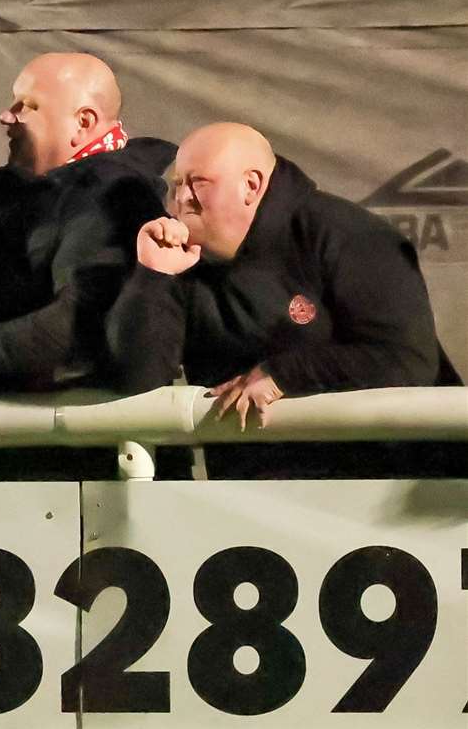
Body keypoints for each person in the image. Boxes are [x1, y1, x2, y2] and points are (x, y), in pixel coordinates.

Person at [108, 122, 461, 476]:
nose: (182, 199)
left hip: (393, 488)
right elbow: (139, 382)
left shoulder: (350, 236)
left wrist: (283, 375)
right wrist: (151, 277)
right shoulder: (177, 257)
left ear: (251, 185)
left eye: (199, 183)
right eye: (177, 185)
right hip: (257, 501)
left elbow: (408, 359)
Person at [0, 52, 176, 390]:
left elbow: (76, 328)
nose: (6, 116)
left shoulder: (114, 198)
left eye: (28, 105)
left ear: (84, 122)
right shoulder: (18, 190)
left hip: (57, 433)